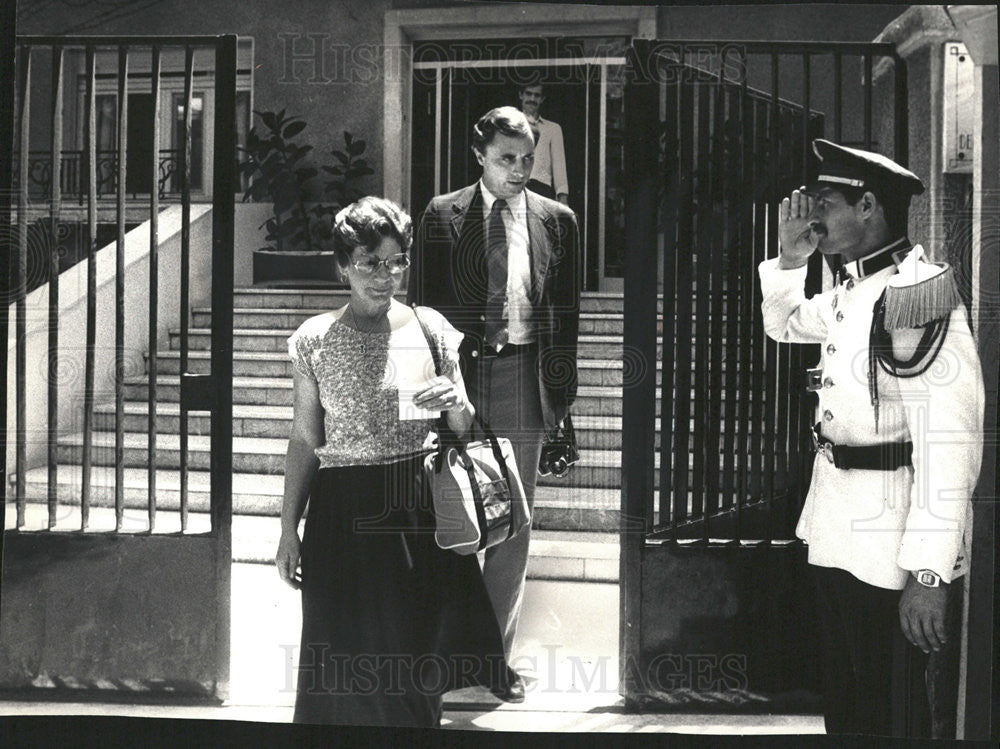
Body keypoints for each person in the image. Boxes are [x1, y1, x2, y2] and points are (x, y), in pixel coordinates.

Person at [759, 139, 984, 737]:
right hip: (834, 527)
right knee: (848, 703)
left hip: (892, 542)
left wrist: (929, 575)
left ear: (867, 207)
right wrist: (789, 259)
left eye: (824, 203)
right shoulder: (851, 289)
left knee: (891, 711)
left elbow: (950, 444)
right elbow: (783, 324)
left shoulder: (917, 294)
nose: (812, 216)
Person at [274, 196, 508, 727]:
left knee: (412, 670)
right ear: (342, 267)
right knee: (337, 666)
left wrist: (457, 402)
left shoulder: (429, 328)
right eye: (369, 263)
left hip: (414, 511)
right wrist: (289, 529)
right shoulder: (313, 340)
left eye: (396, 261)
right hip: (340, 518)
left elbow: (464, 428)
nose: (386, 276)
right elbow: (306, 439)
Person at [407, 106, 581, 702]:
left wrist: (561, 407)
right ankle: (438, 656)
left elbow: (567, 321)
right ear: (479, 155)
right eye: (507, 158)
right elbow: (421, 312)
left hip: (525, 376)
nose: (519, 169)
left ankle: (492, 661)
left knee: (514, 523)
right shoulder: (440, 214)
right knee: (450, 515)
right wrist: (429, 391)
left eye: (529, 158)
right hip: (457, 378)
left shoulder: (559, 221)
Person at [518, 82, 569, 205]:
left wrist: (563, 202)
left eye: (537, 95)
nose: (532, 99)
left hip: (541, 192)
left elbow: (559, 167)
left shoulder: (553, 129)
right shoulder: (509, 126)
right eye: (528, 94)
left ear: (542, 99)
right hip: (515, 189)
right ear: (521, 95)